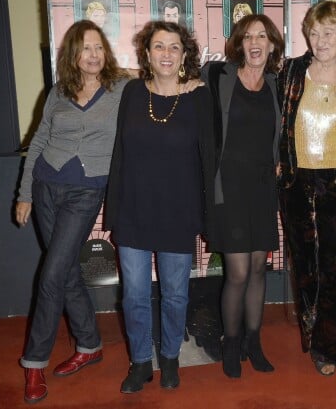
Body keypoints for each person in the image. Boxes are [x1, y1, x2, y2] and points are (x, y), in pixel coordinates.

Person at [14, 20, 129, 404]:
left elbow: (162, 79)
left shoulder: (121, 89)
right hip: (46, 185)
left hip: (86, 191)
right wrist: (25, 192)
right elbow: (40, 139)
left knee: (50, 275)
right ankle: (90, 344)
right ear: (73, 55)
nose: (93, 55)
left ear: (106, 52)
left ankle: (33, 363)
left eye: (98, 47)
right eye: (85, 49)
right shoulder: (58, 92)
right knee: (63, 274)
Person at [104, 21, 212, 393]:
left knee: (175, 293)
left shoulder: (199, 97)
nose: (166, 53)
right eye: (158, 46)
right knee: (133, 293)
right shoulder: (133, 92)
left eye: (174, 47)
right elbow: (120, 153)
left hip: (178, 212)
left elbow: (208, 157)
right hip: (134, 209)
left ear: (184, 55)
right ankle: (139, 363)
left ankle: (169, 358)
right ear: (147, 54)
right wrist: (113, 210)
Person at [278, 0, 336, 376]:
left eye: (329, 32)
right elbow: (239, 68)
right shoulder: (290, 71)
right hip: (296, 181)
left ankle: (333, 345)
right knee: (304, 266)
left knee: (335, 266)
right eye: (314, 33)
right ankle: (313, 338)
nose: (320, 40)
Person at [201, 14, 284, 378]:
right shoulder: (217, 76)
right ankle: (230, 342)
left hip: (263, 187)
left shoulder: (277, 84)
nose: (255, 42)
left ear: (272, 45)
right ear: (239, 43)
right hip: (229, 187)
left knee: (257, 268)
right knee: (236, 272)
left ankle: (254, 341)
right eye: (248, 36)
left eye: (262, 36)